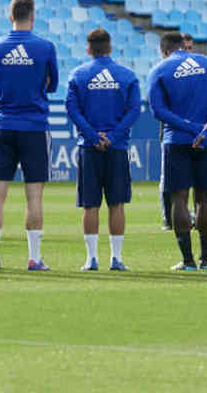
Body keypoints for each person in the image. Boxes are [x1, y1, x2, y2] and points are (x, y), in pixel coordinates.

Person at [0, 0, 58, 271]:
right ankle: (34, 258)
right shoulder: (45, 47)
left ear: (10, 16)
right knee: (34, 195)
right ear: (33, 16)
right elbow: (52, 84)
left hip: (4, 123)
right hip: (35, 126)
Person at [148, 31, 207, 271]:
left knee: (179, 199)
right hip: (205, 141)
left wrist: (188, 127)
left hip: (176, 141)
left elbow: (158, 110)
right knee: (204, 199)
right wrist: (206, 129)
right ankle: (206, 259)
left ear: (164, 50)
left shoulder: (160, 70)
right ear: (184, 46)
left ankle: (188, 261)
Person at [66, 28, 141, 271]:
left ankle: (91, 259)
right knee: (116, 203)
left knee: (90, 204)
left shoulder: (78, 75)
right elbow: (134, 110)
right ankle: (116, 258)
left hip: (89, 147)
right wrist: (114, 136)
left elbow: (72, 109)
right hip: (117, 147)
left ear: (89, 50)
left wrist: (92, 135)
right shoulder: (127, 76)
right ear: (110, 47)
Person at [158, 33, 199, 230]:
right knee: (169, 177)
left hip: (196, 132)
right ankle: (169, 217)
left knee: (196, 178)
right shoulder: (165, 71)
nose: (188, 52)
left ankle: (193, 216)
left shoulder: (197, 71)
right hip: (173, 131)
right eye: (186, 47)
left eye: (191, 48)